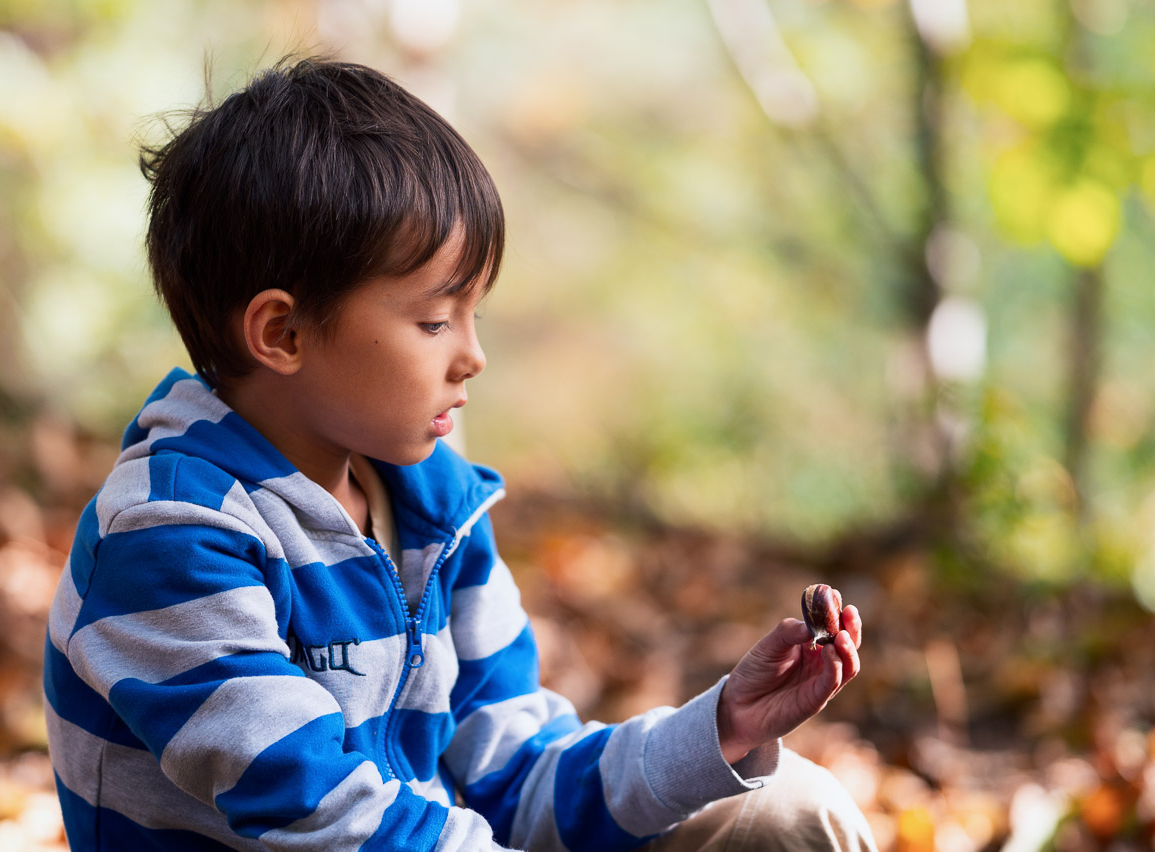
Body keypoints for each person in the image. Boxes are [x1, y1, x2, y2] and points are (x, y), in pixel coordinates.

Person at [43, 57, 877, 851]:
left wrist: (722, 727)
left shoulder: (432, 512)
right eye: (436, 321)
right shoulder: (167, 534)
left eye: (475, 316)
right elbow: (321, 816)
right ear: (283, 332)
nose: (472, 355)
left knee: (794, 814)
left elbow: (516, 779)